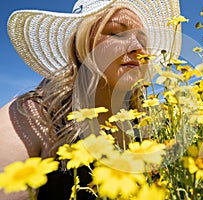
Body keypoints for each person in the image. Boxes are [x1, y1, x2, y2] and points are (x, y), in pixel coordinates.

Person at [0, 0, 182, 199]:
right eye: (116, 33)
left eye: (144, 42)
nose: (138, 48)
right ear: (82, 46)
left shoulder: (149, 127)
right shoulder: (32, 116)